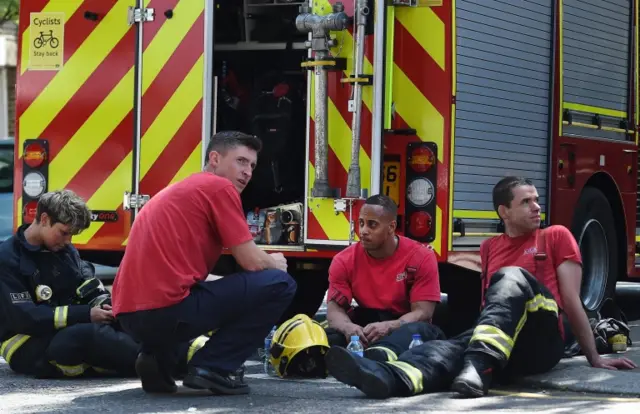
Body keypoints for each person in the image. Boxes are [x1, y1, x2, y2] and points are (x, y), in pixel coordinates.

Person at [324, 176, 637, 399]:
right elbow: (492, 309)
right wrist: (467, 339)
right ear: (504, 212)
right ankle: (388, 378)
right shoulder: (490, 248)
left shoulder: (556, 236)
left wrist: (594, 357)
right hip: (504, 342)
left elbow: (570, 300)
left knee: (511, 278)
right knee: (440, 350)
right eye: (526, 202)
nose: (536, 207)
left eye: (537, 200)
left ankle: (477, 366)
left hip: (544, 335)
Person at [112, 131, 297, 395]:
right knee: (279, 283)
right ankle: (213, 367)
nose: (248, 172)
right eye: (241, 161)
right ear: (214, 158)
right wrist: (275, 262)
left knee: (200, 290)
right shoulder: (218, 187)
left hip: (129, 316)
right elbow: (251, 261)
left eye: (252, 166)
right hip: (164, 312)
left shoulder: (183, 188)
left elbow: (184, 277)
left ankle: (155, 358)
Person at [0, 190, 141, 378]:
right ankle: (156, 363)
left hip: (64, 330)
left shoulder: (64, 250)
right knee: (85, 335)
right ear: (44, 219)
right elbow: (27, 318)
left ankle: (182, 354)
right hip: (27, 343)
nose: (68, 241)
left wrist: (105, 305)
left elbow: (84, 282)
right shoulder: (8, 258)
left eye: (72, 235)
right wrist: (86, 314)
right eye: (64, 233)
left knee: (123, 320)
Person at [325, 194, 444, 363]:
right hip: (368, 322)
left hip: (404, 324)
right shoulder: (343, 260)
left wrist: (389, 326)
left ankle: (377, 358)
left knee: (419, 332)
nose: (364, 231)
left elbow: (423, 313)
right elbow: (334, 310)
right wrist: (348, 328)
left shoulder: (421, 257)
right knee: (329, 338)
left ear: (391, 227)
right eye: (361, 223)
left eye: (372, 225)